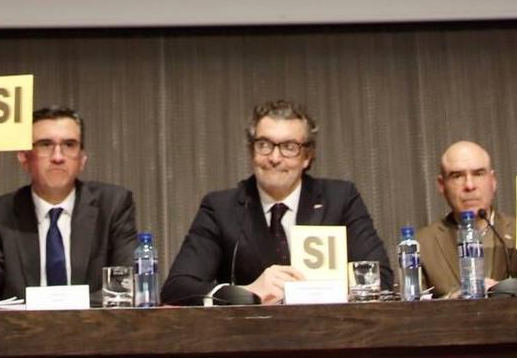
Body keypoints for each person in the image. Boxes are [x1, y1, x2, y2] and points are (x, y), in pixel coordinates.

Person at [162, 99, 389, 305]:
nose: (274, 158)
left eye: (289, 147)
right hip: (249, 340)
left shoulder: (340, 199)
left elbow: (381, 279)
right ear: (252, 152)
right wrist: (245, 292)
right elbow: (177, 288)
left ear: (307, 156)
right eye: (264, 145)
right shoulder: (221, 208)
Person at [0, 105, 137, 302]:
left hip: (92, 330)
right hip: (19, 332)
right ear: (24, 158)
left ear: (82, 159)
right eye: (45, 144)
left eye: (69, 145)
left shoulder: (112, 205)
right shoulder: (1, 213)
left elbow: (125, 291)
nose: (58, 157)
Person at [416, 140, 517, 296]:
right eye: (457, 176)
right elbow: (410, 311)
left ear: (492, 181)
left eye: (478, 174)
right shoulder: (422, 244)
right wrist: (454, 299)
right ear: (442, 185)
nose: (470, 185)